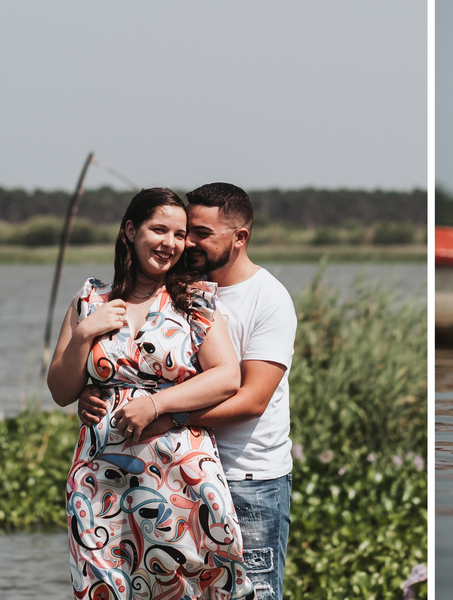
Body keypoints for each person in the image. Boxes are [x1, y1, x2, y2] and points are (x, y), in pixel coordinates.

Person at [79, 183, 298, 600]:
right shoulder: (183, 288)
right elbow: (140, 365)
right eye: (184, 231)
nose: (186, 243)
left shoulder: (268, 299)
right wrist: (99, 397)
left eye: (200, 233)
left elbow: (250, 399)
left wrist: (165, 415)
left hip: (248, 477)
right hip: (178, 477)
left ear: (240, 238)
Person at [47, 187, 255, 599]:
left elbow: (227, 376)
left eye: (179, 235)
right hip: (99, 480)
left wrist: (157, 403)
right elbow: (60, 390)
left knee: (189, 585)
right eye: (159, 230)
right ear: (130, 230)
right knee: (104, 583)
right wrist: (85, 335)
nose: (170, 244)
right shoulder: (90, 299)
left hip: (180, 476)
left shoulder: (194, 301)